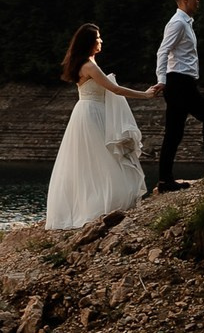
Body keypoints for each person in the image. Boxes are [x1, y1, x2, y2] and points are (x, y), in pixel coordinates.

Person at [44, 22, 159, 229]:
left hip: (86, 111)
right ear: (89, 42)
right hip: (92, 114)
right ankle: (102, 204)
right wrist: (145, 95)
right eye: (98, 38)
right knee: (103, 158)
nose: (101, 41)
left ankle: (93, 203)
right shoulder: (89, 65)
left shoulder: (85, 63)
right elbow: (115, 89)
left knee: (93, 161)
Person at [154, 0, 204, 191]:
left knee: (174, 133)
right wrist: (161, 80)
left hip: (182, 82)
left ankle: (165, 180)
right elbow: (162, 51)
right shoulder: (178, 23)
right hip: (178, 83)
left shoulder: (185, 23)